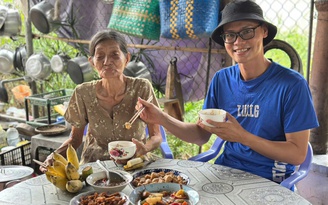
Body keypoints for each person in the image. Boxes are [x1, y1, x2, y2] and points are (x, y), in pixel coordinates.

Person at [137, 0, 319, 185]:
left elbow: (297, 154)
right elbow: (201, 136)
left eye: (247, 32)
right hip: (226, 172)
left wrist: (243, 137)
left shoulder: (292, 85)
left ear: (264, 31)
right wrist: (160, 117)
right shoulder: (222, 79)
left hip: (269, 180)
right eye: (230, 35)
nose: (238, 42)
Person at [40, 30, 162, 172]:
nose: (106, 62)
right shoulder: (83, 93)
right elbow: (75, 140)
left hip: (135, 162)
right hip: (96, 166)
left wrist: (145, 148)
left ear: (127, 59)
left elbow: (156, 135)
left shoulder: (142, 88)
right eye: (100, 57)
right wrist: (53, 156)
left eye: (114, 55)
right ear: (92, 62)